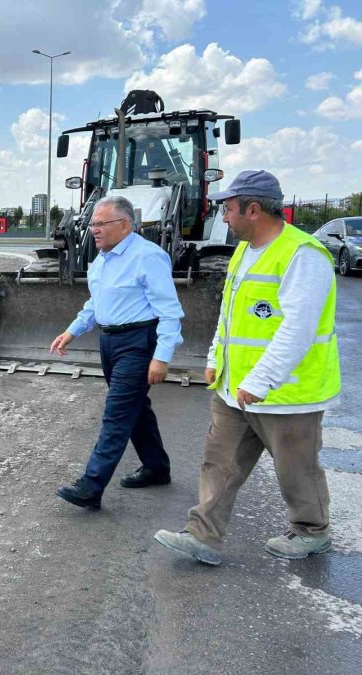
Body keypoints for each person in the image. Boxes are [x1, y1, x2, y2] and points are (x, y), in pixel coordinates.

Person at [154, 170, 339, 566]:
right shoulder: (243, 250)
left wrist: (261, 380)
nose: (223, 217)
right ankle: (203, 535)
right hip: (232, 387)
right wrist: (213, 357)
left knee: (296, 469)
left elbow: (298, 328)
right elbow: (230, 316)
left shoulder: (303, 255)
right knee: (219, 463)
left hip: (287, 392)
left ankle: (312, 531)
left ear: (253, 209)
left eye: (229, 208)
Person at [51, 195, 184, 509]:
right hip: (109, 343)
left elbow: (169, 312)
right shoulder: (102, 259)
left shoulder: (147, 257)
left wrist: (161, 356)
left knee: (117, 414)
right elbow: (95, 306)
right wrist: (71, 332)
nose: (93, 230)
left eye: (100, 224)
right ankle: (156, 468)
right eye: (92, 223)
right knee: (135, 408)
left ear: (124, 225)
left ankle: (91, 485)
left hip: (137, 344)